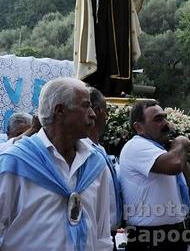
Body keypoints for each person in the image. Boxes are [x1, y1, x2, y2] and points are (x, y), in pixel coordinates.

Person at [0, 77, 113, 251]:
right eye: (85, 106)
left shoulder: (95, 164)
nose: (93, 114)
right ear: (60, 111)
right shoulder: (14, 163)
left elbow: (102, 236)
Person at [120, 100, 190, 250]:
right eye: (158, 119)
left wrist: (179, 154)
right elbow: (174, 165)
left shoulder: (168, 154)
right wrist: (180, 143)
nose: (166, 123)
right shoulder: (136, 146)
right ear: (139, 127)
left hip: (175, 236)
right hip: (149, 240)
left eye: (165, 118)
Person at [85, 87, 122, 251]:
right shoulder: (84, 151)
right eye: (106, 112)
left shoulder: (98, 147)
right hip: (94, 237)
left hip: (108, 235)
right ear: (98, 111)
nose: (107, 117)